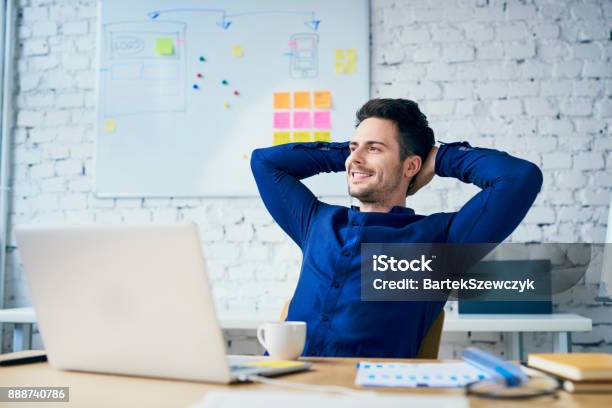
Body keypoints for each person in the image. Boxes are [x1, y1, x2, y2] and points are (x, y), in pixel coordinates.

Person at [251, 98, 543, 357]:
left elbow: (519, 177)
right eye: (354, 147)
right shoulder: (317, 221)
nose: (354, 158)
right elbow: (264, 161)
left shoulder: (442, 240)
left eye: (375, 148)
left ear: (411, 166)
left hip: (371, 395)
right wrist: (354, 154)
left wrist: (439, 157)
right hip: (280, 386)